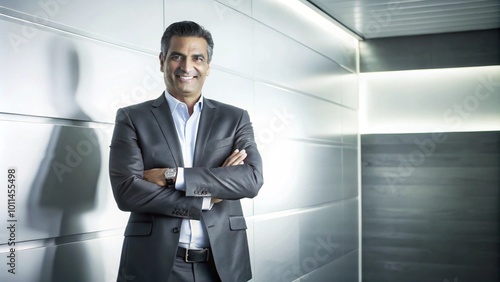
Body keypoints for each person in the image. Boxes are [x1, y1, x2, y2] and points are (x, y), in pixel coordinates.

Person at [109, 21, 264, 282]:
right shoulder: (132, 118)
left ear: (208, 66)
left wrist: (173, 176)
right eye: (177, 57)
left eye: (197, 58)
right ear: (162, 61)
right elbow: (127, 192)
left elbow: (250, 180)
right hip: (154, 265)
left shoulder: (234, 118)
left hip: (221, 266)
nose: (186, 67)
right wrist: (207, 197)